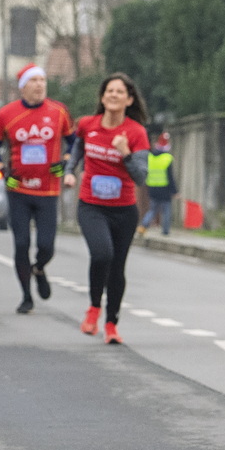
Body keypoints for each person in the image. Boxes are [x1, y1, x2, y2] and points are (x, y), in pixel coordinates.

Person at [66, 73, 149, 344]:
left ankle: (111, 324)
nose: (113, 95)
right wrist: (69, 171)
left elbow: (141, 177)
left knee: (117, 267)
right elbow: (77, 149)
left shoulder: (136, 133)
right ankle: (93, 308)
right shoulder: (87, 125)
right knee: (102, 254)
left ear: (129, 100)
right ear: (102, 97)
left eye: (119, 92)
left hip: (124, 210)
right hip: (91, 206)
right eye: (109, 91)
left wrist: (125, 152)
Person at [0, 64, 76, 314]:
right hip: (16, 187)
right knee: (21, 243)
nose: (39, 85)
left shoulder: (59, 111)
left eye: (42, 80)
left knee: (46, 245)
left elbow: (74, 143)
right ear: (23, 87)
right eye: (34, 80)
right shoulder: (6, 114)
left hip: (48, 188)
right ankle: (26, 296)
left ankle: (38, 268)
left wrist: (66, 162)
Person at [139, 132, 177, 235]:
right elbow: (170, 176)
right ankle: (165, 231)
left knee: (153, 210)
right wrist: (174, 191)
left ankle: (143, 226)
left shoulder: (150, 157)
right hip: (164, 188)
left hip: (152, 188)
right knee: (166, 210)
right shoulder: (167, 158)